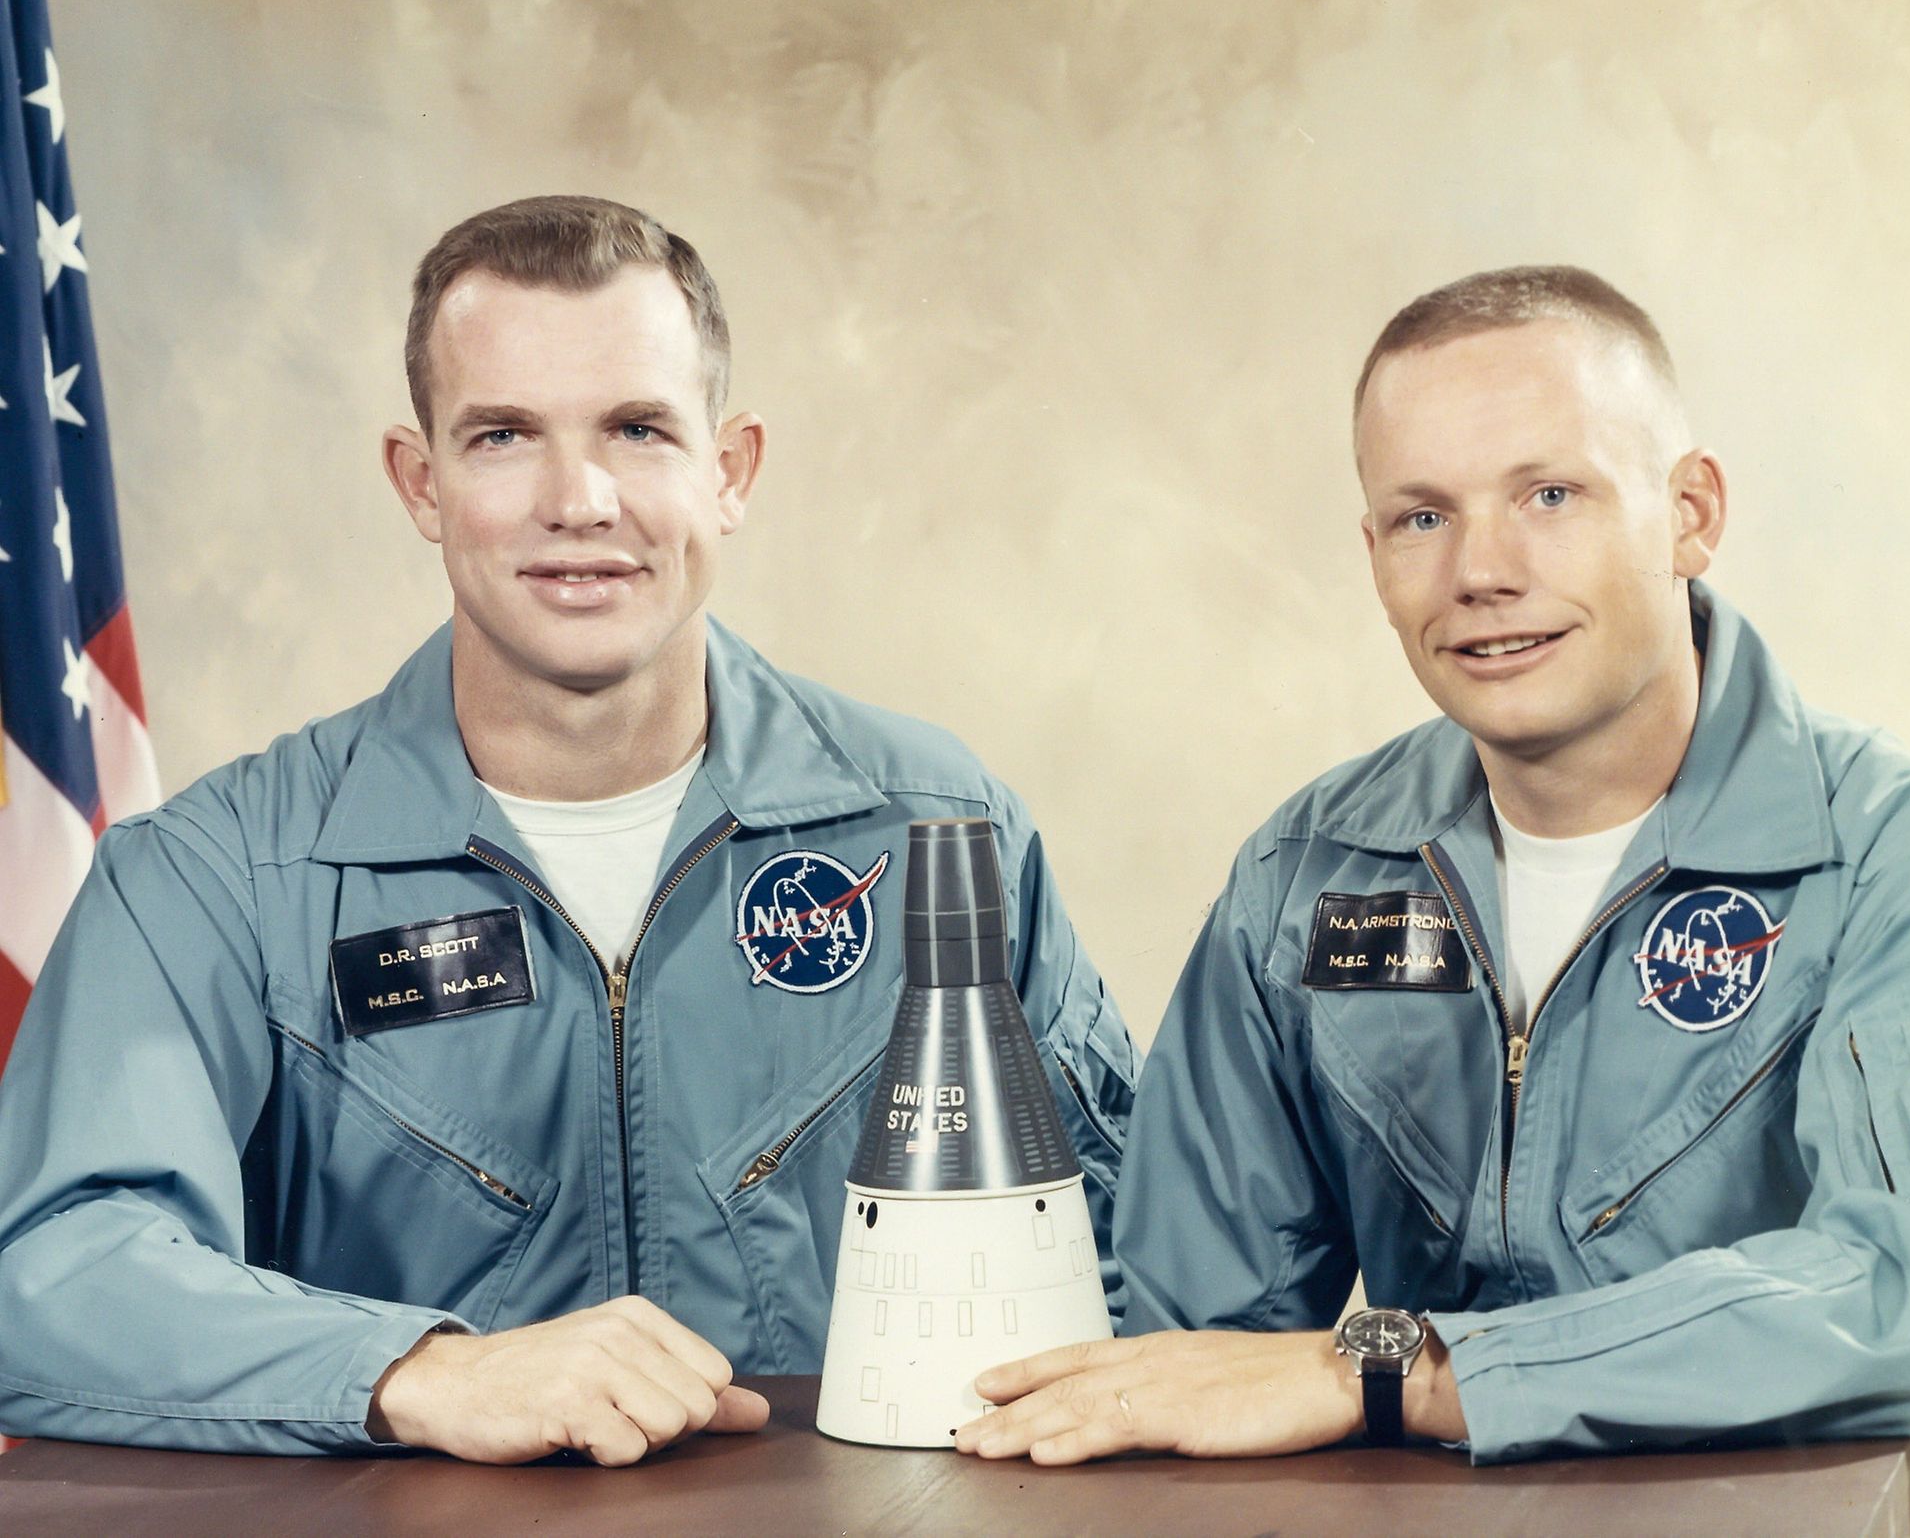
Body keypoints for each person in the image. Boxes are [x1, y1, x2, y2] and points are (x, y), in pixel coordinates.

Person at [0, 195, 1137, 1465]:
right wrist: (418, 1374)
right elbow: (50, 1273)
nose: (577, 498)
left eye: (638, 429)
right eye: (501, 436)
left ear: (731, 470)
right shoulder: (219, 880)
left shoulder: (936, 826)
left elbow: (1136, 1261)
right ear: (420, 482)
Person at [955, 266, 1910, 1530]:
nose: (1478, 569)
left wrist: (1408, 1371)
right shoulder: (1307, 877)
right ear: (1370, 555)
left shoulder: (1905, 866)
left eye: (1548, 494)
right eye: (1419, 517)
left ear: (1688, 513)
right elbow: (1191, 1356)